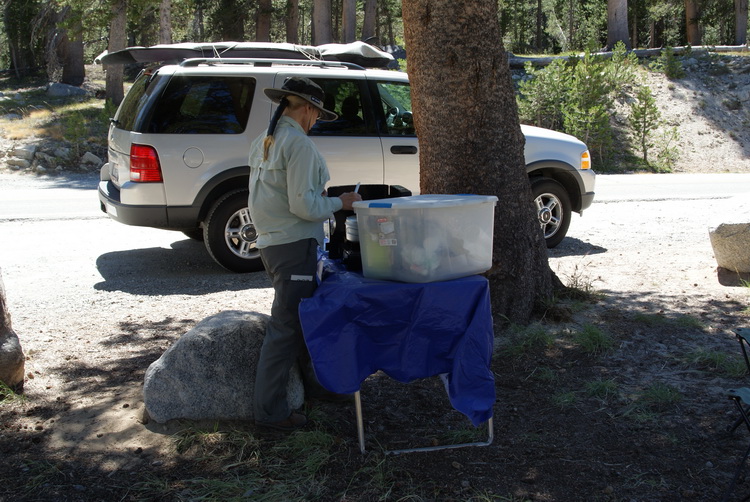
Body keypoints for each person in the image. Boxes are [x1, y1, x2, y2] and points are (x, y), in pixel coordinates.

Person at [248, 77, 362, 432]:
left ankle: (317, 386)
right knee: (286, 327)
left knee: (301, 320)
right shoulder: (298, 145)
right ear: (309, 109)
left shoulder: (265, 141)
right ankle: (270, 413)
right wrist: (340, 202)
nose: (315, 122)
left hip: (273, 242)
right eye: (316, 114)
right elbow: (304, 205)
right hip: (294, 244)